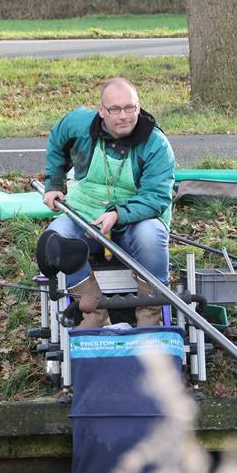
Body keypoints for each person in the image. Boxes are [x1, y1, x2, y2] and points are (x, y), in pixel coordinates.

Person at [42, 77, 175, 328]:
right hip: (85, 215)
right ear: (101, 111)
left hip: (136, 220)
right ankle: (94, 315)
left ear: (138, 106)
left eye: (130, 108)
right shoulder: (78, 125)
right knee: (56, 239)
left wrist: (117, 214)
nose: (124, 116)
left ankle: (150, 319)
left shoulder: (157, 144)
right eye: (115, 109)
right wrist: (54, 183)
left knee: (151, 236)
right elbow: (56, 139)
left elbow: (156, 198)